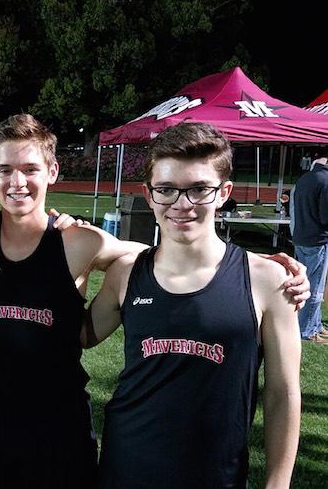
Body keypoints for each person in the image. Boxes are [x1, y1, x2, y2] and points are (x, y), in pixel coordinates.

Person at [0, 114, 308, 488]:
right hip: (46, 450)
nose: (181, 203)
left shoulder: (84, 243)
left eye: (199, 189)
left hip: (84, 444)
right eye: (5, 170)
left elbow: (149, 255)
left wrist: (255, 265)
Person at [89, 122, 301, 487]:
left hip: (216, 475)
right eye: (167, 190)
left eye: (199, 190)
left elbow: (283, 393)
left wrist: (277, 484)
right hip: (126, 467)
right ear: (149, 194)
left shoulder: (268, 281)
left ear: (224, 192)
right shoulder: (125, 274)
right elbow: (77, 334)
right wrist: (73, 259)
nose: (181, 204)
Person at [291, 154, 328, 344]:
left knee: (305, 282)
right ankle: (307, 330)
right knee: (314, 288)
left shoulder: (304, 179)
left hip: (301, 237)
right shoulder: (325, 180)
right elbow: (325, 217)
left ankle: (315, 325)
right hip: (317, 240)